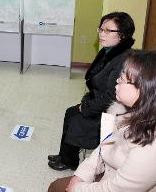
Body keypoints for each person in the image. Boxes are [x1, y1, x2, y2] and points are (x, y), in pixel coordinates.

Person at [48, 50, 156, 192]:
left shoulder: (154, 144)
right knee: (57, 186)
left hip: (115, 186)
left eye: (123, 78)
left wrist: (78, 189)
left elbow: (118, 189)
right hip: (109, 175)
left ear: (146, 89)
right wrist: (81, 176)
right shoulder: (124, 111)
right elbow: (103, 148)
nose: (117, 80)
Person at [48, 12, 135, 171]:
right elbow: (96, 82)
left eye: (108, 30)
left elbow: (111, 96)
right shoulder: (109, 51)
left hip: (112, 110)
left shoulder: (122, 59)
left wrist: (87, 108)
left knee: (77, 118)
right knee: (70, 112)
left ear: (122, 35)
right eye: (101, 29)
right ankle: (66, 156)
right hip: (98, 100)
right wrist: (87, 101)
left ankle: (69, 161)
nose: (102, 34)